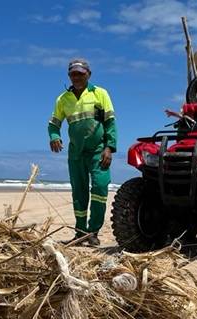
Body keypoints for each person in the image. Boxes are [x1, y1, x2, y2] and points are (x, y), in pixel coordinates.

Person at [47, 58, 117, 247]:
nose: (76, 77)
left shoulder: (100, 93)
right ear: (69, 76)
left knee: (100, 188)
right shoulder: (63, 99)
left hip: (98, 151)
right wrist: (54, 136)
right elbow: (54, 124)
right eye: (73, 74)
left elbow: (110, 122)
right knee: (79, 192)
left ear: (89, 74)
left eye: (80, 73)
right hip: (76, 153)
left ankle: (93, 231)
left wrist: (109, 147)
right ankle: (80, 232)